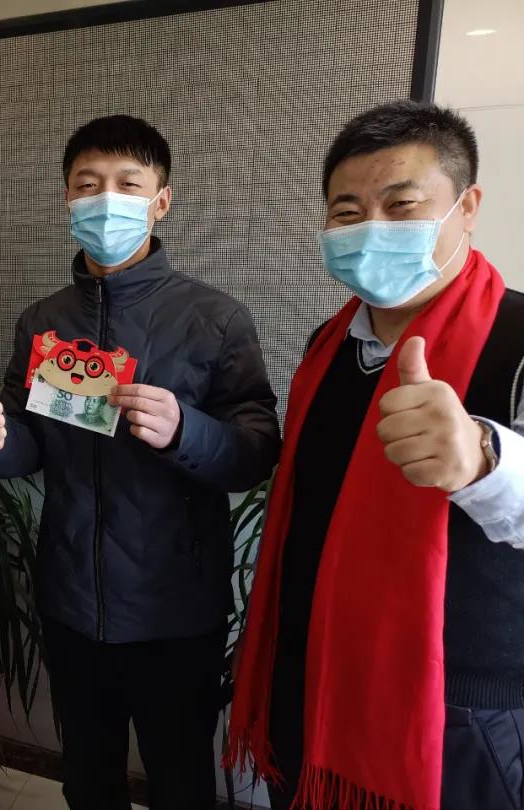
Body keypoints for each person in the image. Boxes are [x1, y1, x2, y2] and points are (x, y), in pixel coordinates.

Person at [0, 115, 281, 810]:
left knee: (180, 781)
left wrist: (184, 430)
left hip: (177, 608)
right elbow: (27, 442)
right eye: (88, 185)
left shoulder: (216, 318)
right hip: (73, 601)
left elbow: (256, 452)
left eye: (127, 185)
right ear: (67, 199)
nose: (105, 200)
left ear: (160, 201)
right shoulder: (42, 322)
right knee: (87, 779)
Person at [227, 101, 524, 810]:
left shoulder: (517, 337)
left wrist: (484, 458)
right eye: (349, 212)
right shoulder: (327, 347)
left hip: (458, 705)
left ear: (467, 206)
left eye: (402, 206)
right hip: (317, 670)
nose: (372, 229)